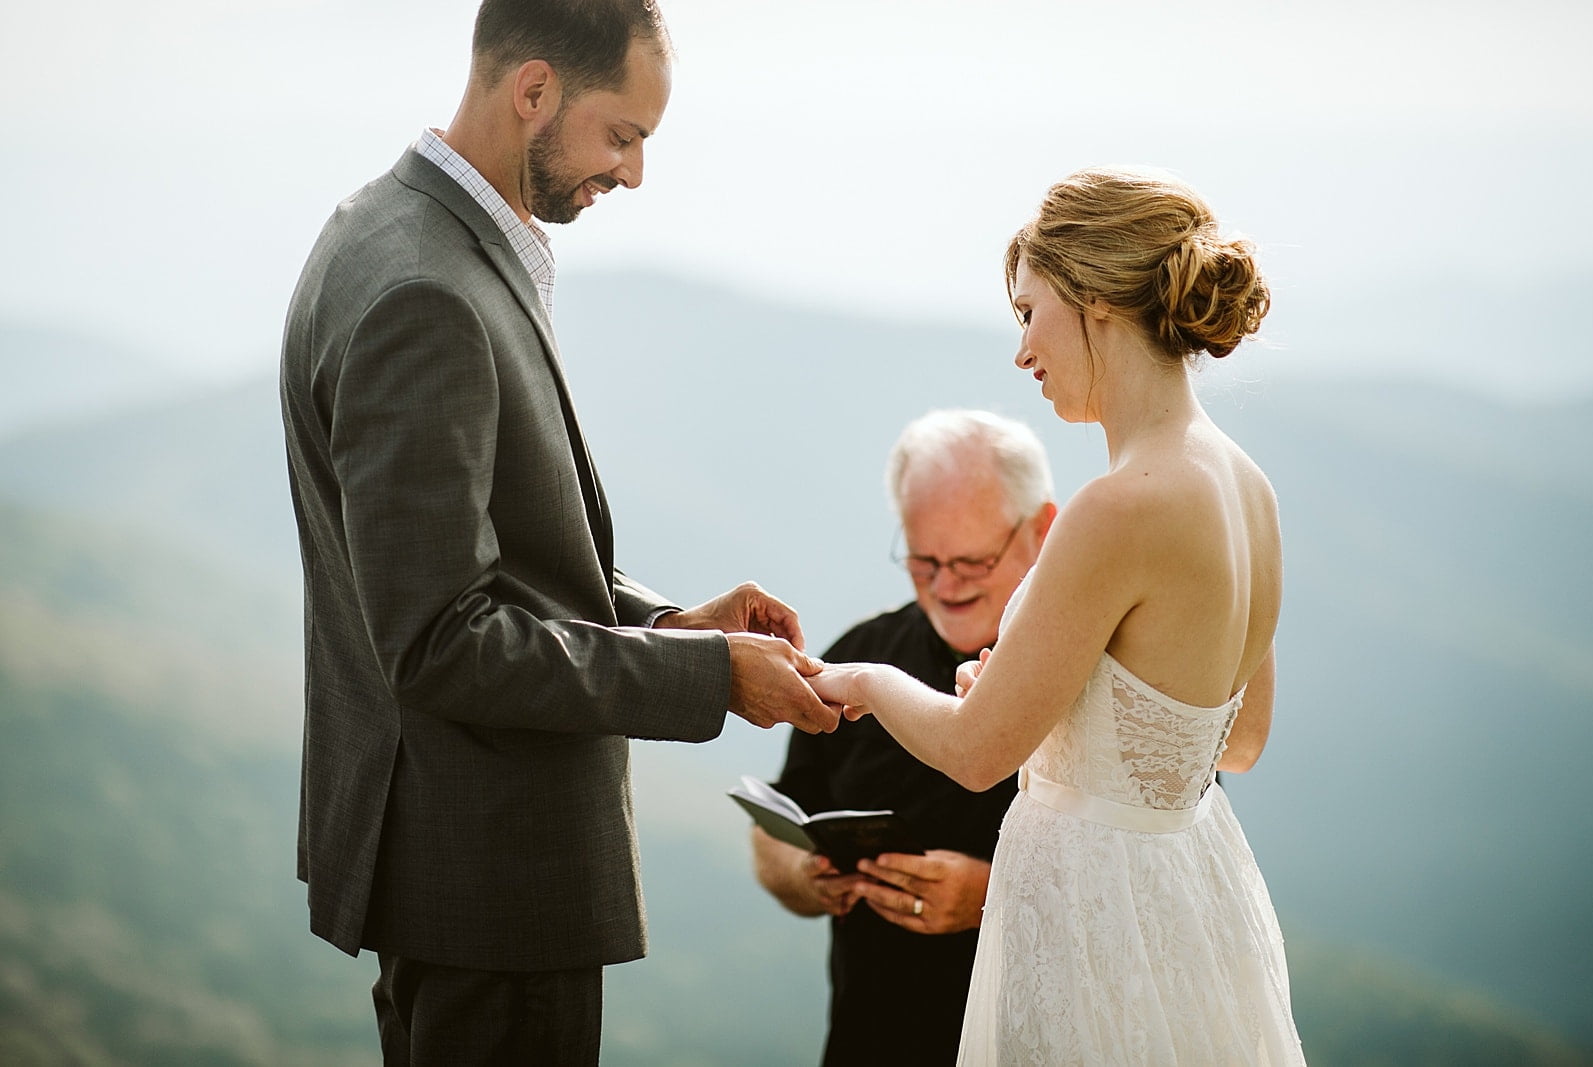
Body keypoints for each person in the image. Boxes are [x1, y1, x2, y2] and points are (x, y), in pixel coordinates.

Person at [278, 1, 838, 1062]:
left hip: (459, 874)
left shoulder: (384, 226)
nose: (632, 174)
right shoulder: (421, 293)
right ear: (532, 90)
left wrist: (669, 623)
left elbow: (487, 555)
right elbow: (441, 636)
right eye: (621, 135)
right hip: (489, 879)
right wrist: (711, 677)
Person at [809, 166, 1304, 1065]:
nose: (1022, 351)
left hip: (1090, 921)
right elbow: (1237, 740)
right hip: (1187, 901)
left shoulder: (1118, 507)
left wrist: (867, 680)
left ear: (1095, 303)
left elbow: (973, 752)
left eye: (1030, 313)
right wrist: (1061, 704)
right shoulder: (1249, 487)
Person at [752, 410, 1057, 1065]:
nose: (946, 586)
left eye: (972, 559)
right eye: (923, 561)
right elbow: (778, 823)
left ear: (1043, 529)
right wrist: (806, 873)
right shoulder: (861, 655)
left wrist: (991, 900)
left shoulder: (1103, 680)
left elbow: (1161, 880)